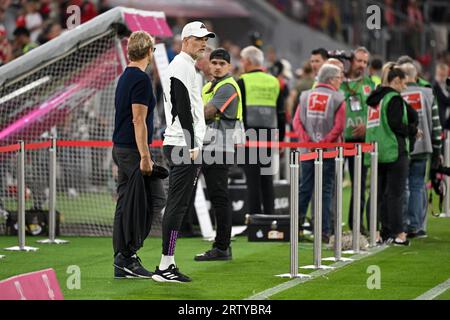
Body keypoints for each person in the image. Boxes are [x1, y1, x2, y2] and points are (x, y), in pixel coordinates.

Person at [152, 21, 215, 283]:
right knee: (177, 207)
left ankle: (169, 263)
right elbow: (182, 107)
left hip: (182, 143)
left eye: (206, 39)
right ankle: (165, 266)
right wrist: (192, 144)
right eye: (199, 39)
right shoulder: (181, 66)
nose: (204, 43)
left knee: (179, 205)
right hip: (182, 145)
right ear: (186, 39)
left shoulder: (187, 66)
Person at [111, 31, 166, 279]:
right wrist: (145, 156)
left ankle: (123, 257)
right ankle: (127, 255)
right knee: (154, 200)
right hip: (133, 151)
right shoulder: (141, 80)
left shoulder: (125, 76)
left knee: (125, 203)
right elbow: (138, 119)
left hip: (122, 148)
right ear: (149, 52)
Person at [194, 48, 244, 261]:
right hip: (207, 146)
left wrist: (191, 114)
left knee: (219, 197)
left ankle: (222, 247)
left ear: (229, 66)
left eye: (221, 63)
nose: (216, 66)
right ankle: (221, 246)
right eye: (213, 62)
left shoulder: (227, 86)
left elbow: (206, 113)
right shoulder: (209, 86)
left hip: (219, 148)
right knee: (216, 196)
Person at [365, 64, 418, 246]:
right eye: (403, 84)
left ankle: (378, 231)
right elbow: (396, 124)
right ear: (396, 81)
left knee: (377, 194)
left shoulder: (375, 99)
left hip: (376, 151)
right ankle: (398, 233)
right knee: (395, 194)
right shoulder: (393, 98)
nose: (404, 88)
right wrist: (413, 130)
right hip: (394, 151)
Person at [293, 63, 345, 243]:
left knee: (304, 188)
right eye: (339, 77)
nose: (341, 81)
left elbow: (296, 122)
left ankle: (295, 227)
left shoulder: (305, 95)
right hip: (328, 152)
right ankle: (323, 231)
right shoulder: (338, 98)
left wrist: (308, 141)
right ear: (331, 79)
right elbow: (339, 126)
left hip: (307, 151)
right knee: (325, 190)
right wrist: (323, 144)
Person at [237, 45, 280, 216]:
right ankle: (269, 217)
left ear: (247, 62)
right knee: (267, 179)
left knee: (252, 180)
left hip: (249, 136)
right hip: (270, 135)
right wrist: (281, 139)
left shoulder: (241, 81)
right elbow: (281, 112)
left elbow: (239, 113)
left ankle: (255, 220)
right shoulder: (274, 81)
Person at [400, 62, 441, 238]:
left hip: (404, 147)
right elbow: (436, 124)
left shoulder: (398, 94)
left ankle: (404, 223)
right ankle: (415, 225)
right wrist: (437, 148)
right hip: (424, 146)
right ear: (416, 76)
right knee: (417, 185)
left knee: (405, 186)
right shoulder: (428, 93)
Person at [340, 47, 375, 236]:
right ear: (351, 61)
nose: (362, 65)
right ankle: (329, 226)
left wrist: (367, 126)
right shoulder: (337, 81)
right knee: (332, 184)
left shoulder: (370, 85)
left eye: (365, 62)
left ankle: (356, 224)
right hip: (337, 142)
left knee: (359, 185)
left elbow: (378, 112)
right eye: (359, 61)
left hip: (360, 142)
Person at [433, 63, 450, 129]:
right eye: (440, 75)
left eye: (444, 75)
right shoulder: (433, 87)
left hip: (445, 121)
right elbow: (446, 101)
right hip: (438, 122)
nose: (442, 78)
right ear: (436, 74)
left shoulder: (446, 86)